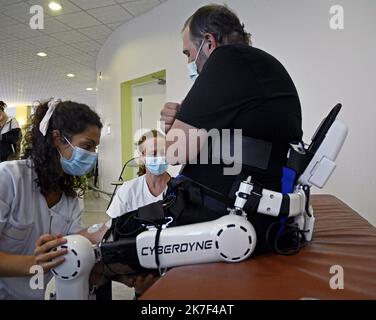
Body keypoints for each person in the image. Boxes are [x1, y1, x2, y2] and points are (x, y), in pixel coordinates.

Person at [160, 4, 303, 254]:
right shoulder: (254, 66)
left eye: (187, 53)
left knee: (107, 245)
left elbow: (175, 152)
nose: (189, 62)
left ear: (208, 41)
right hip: (250, 212)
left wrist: (172, 130)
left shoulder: (227, 59)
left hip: (227, 215)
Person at [0, 98, 103, 299]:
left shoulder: (71, 199)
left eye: (95, 148)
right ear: (57, 138)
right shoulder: (9, 179)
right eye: (87, 146)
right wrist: (32, 263)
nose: (92, 155)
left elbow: (69, 251)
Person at [103, 130, 170, 298]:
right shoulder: (128, 190)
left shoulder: (179, 189)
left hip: (173, 262)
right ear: (142, 157)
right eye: (154, 153)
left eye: (164, 152)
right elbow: (112, 231)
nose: (160, 157)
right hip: (138, 261)